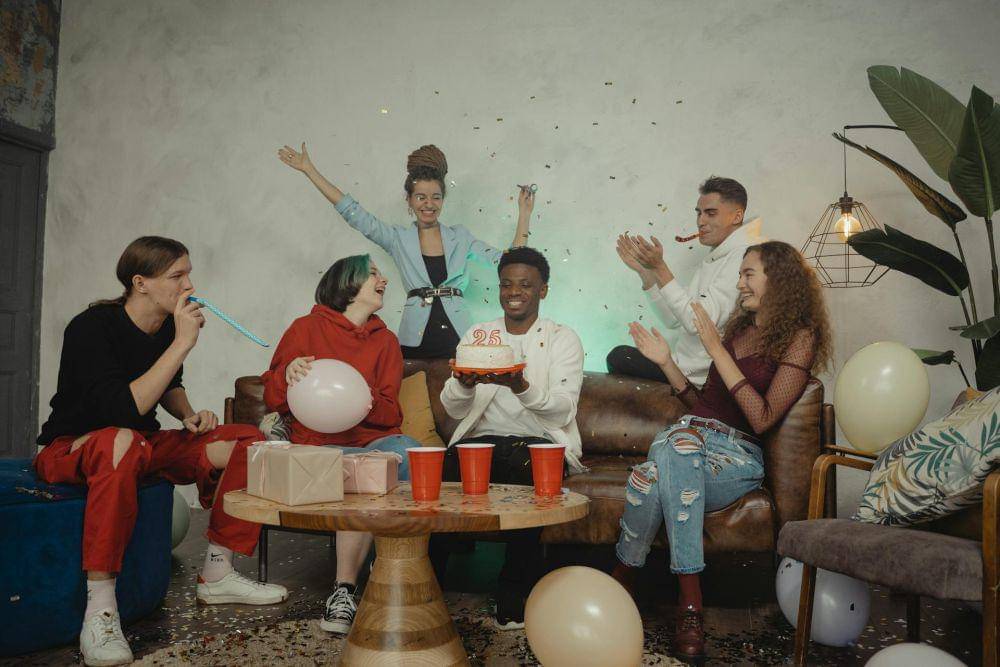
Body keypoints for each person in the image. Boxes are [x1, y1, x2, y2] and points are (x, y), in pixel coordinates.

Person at [35, 236, 287, 667]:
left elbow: (168, 385)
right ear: (141, 283)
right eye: (177, 276)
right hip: (76, 445)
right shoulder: (91, 327)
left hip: (139, 443)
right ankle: (100, 611)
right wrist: (183, 344)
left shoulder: (167, 326)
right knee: (120, 439)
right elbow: (123, 409)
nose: (189, 285)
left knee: (248, 441)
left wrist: (188, 414)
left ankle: (217, 572)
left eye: (189, 274)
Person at [610, 241, 832, 657]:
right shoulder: (737, 330)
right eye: (740, 274)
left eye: (749, 274)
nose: (740, 283)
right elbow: (702, 406)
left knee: (648, 478)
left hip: (735, 454)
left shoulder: (800, 338)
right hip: (688, 435)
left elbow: (762, 418)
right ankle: (690, 604)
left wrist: (714, 349)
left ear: (779, 280)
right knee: (678, 448)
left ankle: (623, 575)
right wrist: (665, 362)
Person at [260, 254, 420, 636]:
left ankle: (385, 572)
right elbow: (273, 396)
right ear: (348, 282)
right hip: (318, 445)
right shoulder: (305, 328)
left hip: (370, 442)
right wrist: (287, 374)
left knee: (406, 453)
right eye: (374, 274)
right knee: (368, 471)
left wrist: (362, 396)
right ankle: (345, 589)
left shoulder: (386, 341)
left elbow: (390, 413)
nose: (384, 280)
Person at [437, 247, 584, 630]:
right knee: (440, 480)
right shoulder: (479, 335)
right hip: (481, 441)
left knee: (531, 478)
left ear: (543, 290)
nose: (514, 292)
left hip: (538, 443)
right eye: (506, 284)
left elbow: (562, 411)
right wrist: (463, 383)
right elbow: (453, 409)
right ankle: (426, 589)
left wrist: (521, 386)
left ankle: (513, 594)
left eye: (525, 285)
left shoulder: (562, 338)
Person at [278, 142, 535, 359]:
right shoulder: (398, 239)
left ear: (443, 200)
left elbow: (511, 262)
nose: (429, 204)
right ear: (409, 200)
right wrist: (309, 170)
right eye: (421, 197)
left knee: (464, 397)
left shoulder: (460, 237)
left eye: (436, 197)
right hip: (415, 339)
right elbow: (354, 213)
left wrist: (524, 214)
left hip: (460, 338)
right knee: (414, 399)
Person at [607, 176, 764, 386]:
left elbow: (697, 323)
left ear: (737, 216)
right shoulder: (719, 255)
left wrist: (660, 268)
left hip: (705, 378)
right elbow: (673, 320)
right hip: (683, 367)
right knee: (620, 356)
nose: (701, 221)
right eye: (699, 213)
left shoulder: (744, 256)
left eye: (711, 213)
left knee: (619, 357)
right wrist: (646, 273)